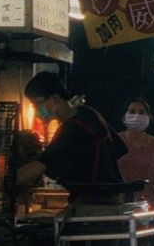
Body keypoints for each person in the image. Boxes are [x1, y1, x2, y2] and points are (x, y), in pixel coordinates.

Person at [15, 71, 127, 202]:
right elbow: (120, 148)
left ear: (55, 99)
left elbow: (41, 165)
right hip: (113, 196)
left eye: (37, 104)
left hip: (95, 202)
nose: (36, 110)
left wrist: (7, 181)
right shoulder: (89, 113)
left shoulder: (71, 129)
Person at [117, 98, 154, 209]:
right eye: (132, 112)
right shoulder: (114, 141)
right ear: (124, 117)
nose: (137, 116)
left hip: (148, 207)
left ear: (149, 118)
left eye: (142, 112)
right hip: (118, 205)